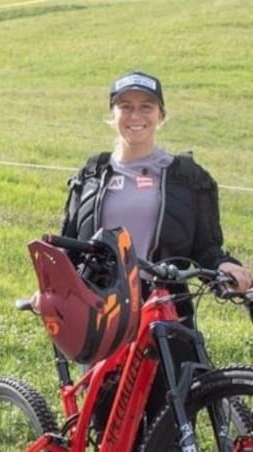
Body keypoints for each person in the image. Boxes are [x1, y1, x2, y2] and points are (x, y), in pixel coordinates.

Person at [59, 70, 252, 435]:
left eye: (146, 107)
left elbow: (208, 246)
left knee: (170, 424)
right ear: (112, 115)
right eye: (125, 106)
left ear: (161, 115)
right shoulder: (92, 174)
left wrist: (225, 265)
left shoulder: (187, 177)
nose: (136, 116)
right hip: (108, 314)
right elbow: (70, 244)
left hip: (167, 312)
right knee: (111, 428)